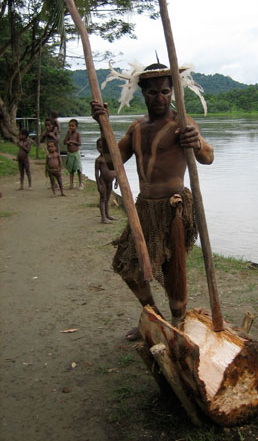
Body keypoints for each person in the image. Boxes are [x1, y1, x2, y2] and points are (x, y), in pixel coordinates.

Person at [91, 62, 214, 339]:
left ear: (172, 92)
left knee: (173, 272)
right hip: (144, 208)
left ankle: (178, 325)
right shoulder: (137, 127)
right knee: (128, 266)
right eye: (152, 93)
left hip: (174, 208)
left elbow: (208, 157)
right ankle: (154, 317)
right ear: (142, 93)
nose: (159, 98)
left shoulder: (182, 123)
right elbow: (114, 159)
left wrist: (196, 143)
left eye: (165, 92)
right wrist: (103, 125)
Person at [95, 137, 118, 223]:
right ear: (97, 148)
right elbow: (96, 173)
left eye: (103, 147)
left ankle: (107, 214)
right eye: (99, 147)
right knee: (103, 198)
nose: (101, 149)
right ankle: (103, 217)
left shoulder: (111, 158)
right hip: (103, 181)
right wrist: (99, 185)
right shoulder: (99, 160)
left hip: (110, 181)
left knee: (107, 198)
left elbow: (115, 169)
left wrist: (117, 180)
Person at [63, 119, 83, 189]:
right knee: (71, 170)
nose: (71, 127)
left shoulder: (77, 134)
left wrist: (72, 141)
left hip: (76, 154)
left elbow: (79, 143)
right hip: (70, 154)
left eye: (72, 126)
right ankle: (71, 184)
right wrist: (67, 137)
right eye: (70, 126)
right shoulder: (68, 134)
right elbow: (64, 142)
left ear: (76, 127)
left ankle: (80, 184)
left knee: (78, 169)